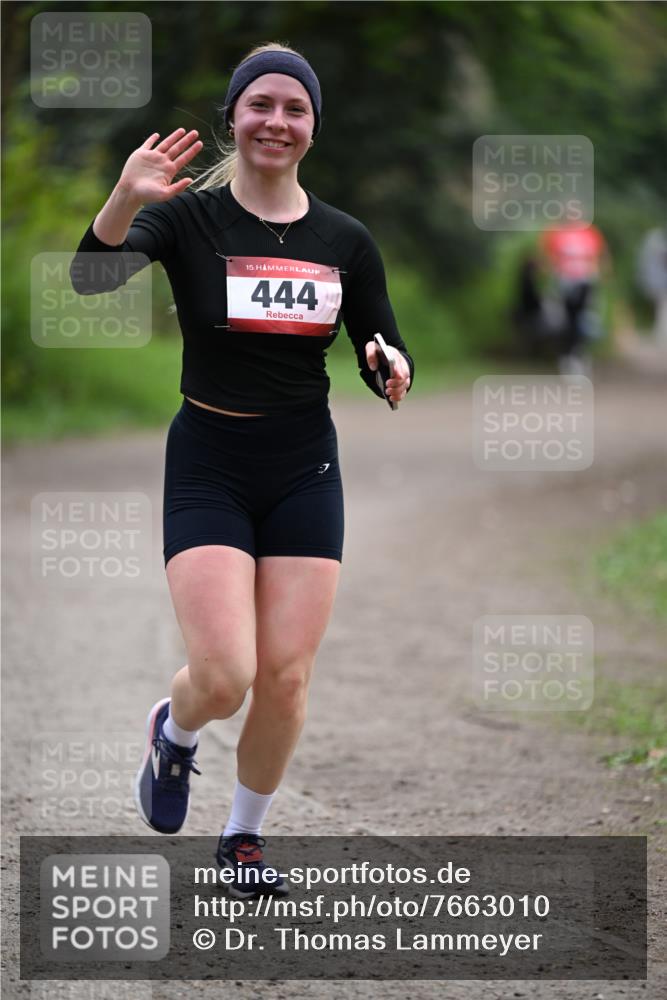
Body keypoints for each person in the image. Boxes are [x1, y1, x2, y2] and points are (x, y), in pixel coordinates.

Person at [70, 42, 414, 898]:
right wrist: (122, 198)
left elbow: (379, 343)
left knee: (286, 675)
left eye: (294, 109)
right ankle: (174, 730)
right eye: (260, 105)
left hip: (304, 466)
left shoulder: (345, 239)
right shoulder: (187, 217)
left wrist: (389, 365)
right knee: (225, 676)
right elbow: (88, 277)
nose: (276, 121)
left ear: (311, 128)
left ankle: (242, 839)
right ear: (235, 117)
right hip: (209, 464)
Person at [539, 221, 610, 375]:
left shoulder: (590, 232)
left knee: (584, 319)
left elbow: (601, 255)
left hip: (585, 282)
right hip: (564, 283)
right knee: (567, 321)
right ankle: (568, 357)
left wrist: (602, 272)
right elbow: (547, 257)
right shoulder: (556, 233)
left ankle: (578, 355)